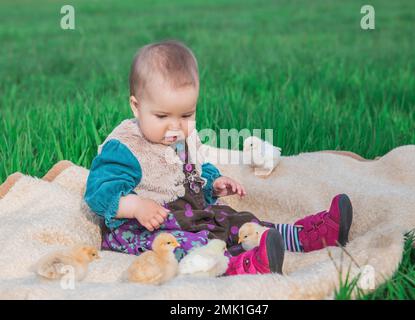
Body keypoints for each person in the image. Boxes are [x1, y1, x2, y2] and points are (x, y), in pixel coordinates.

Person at [84, 40, 354, 275]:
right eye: (162, 116)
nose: (175, 126)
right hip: (144, 230)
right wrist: (135, 206)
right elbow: (98, 193)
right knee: (187, 244)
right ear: (137, 106)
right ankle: (235, 267)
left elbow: (196, 167)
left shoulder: (181, 138)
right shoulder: (126, 146)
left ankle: (301, 237)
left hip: (189, 212)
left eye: (186, 115)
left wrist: (213, 183)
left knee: (235, 220)